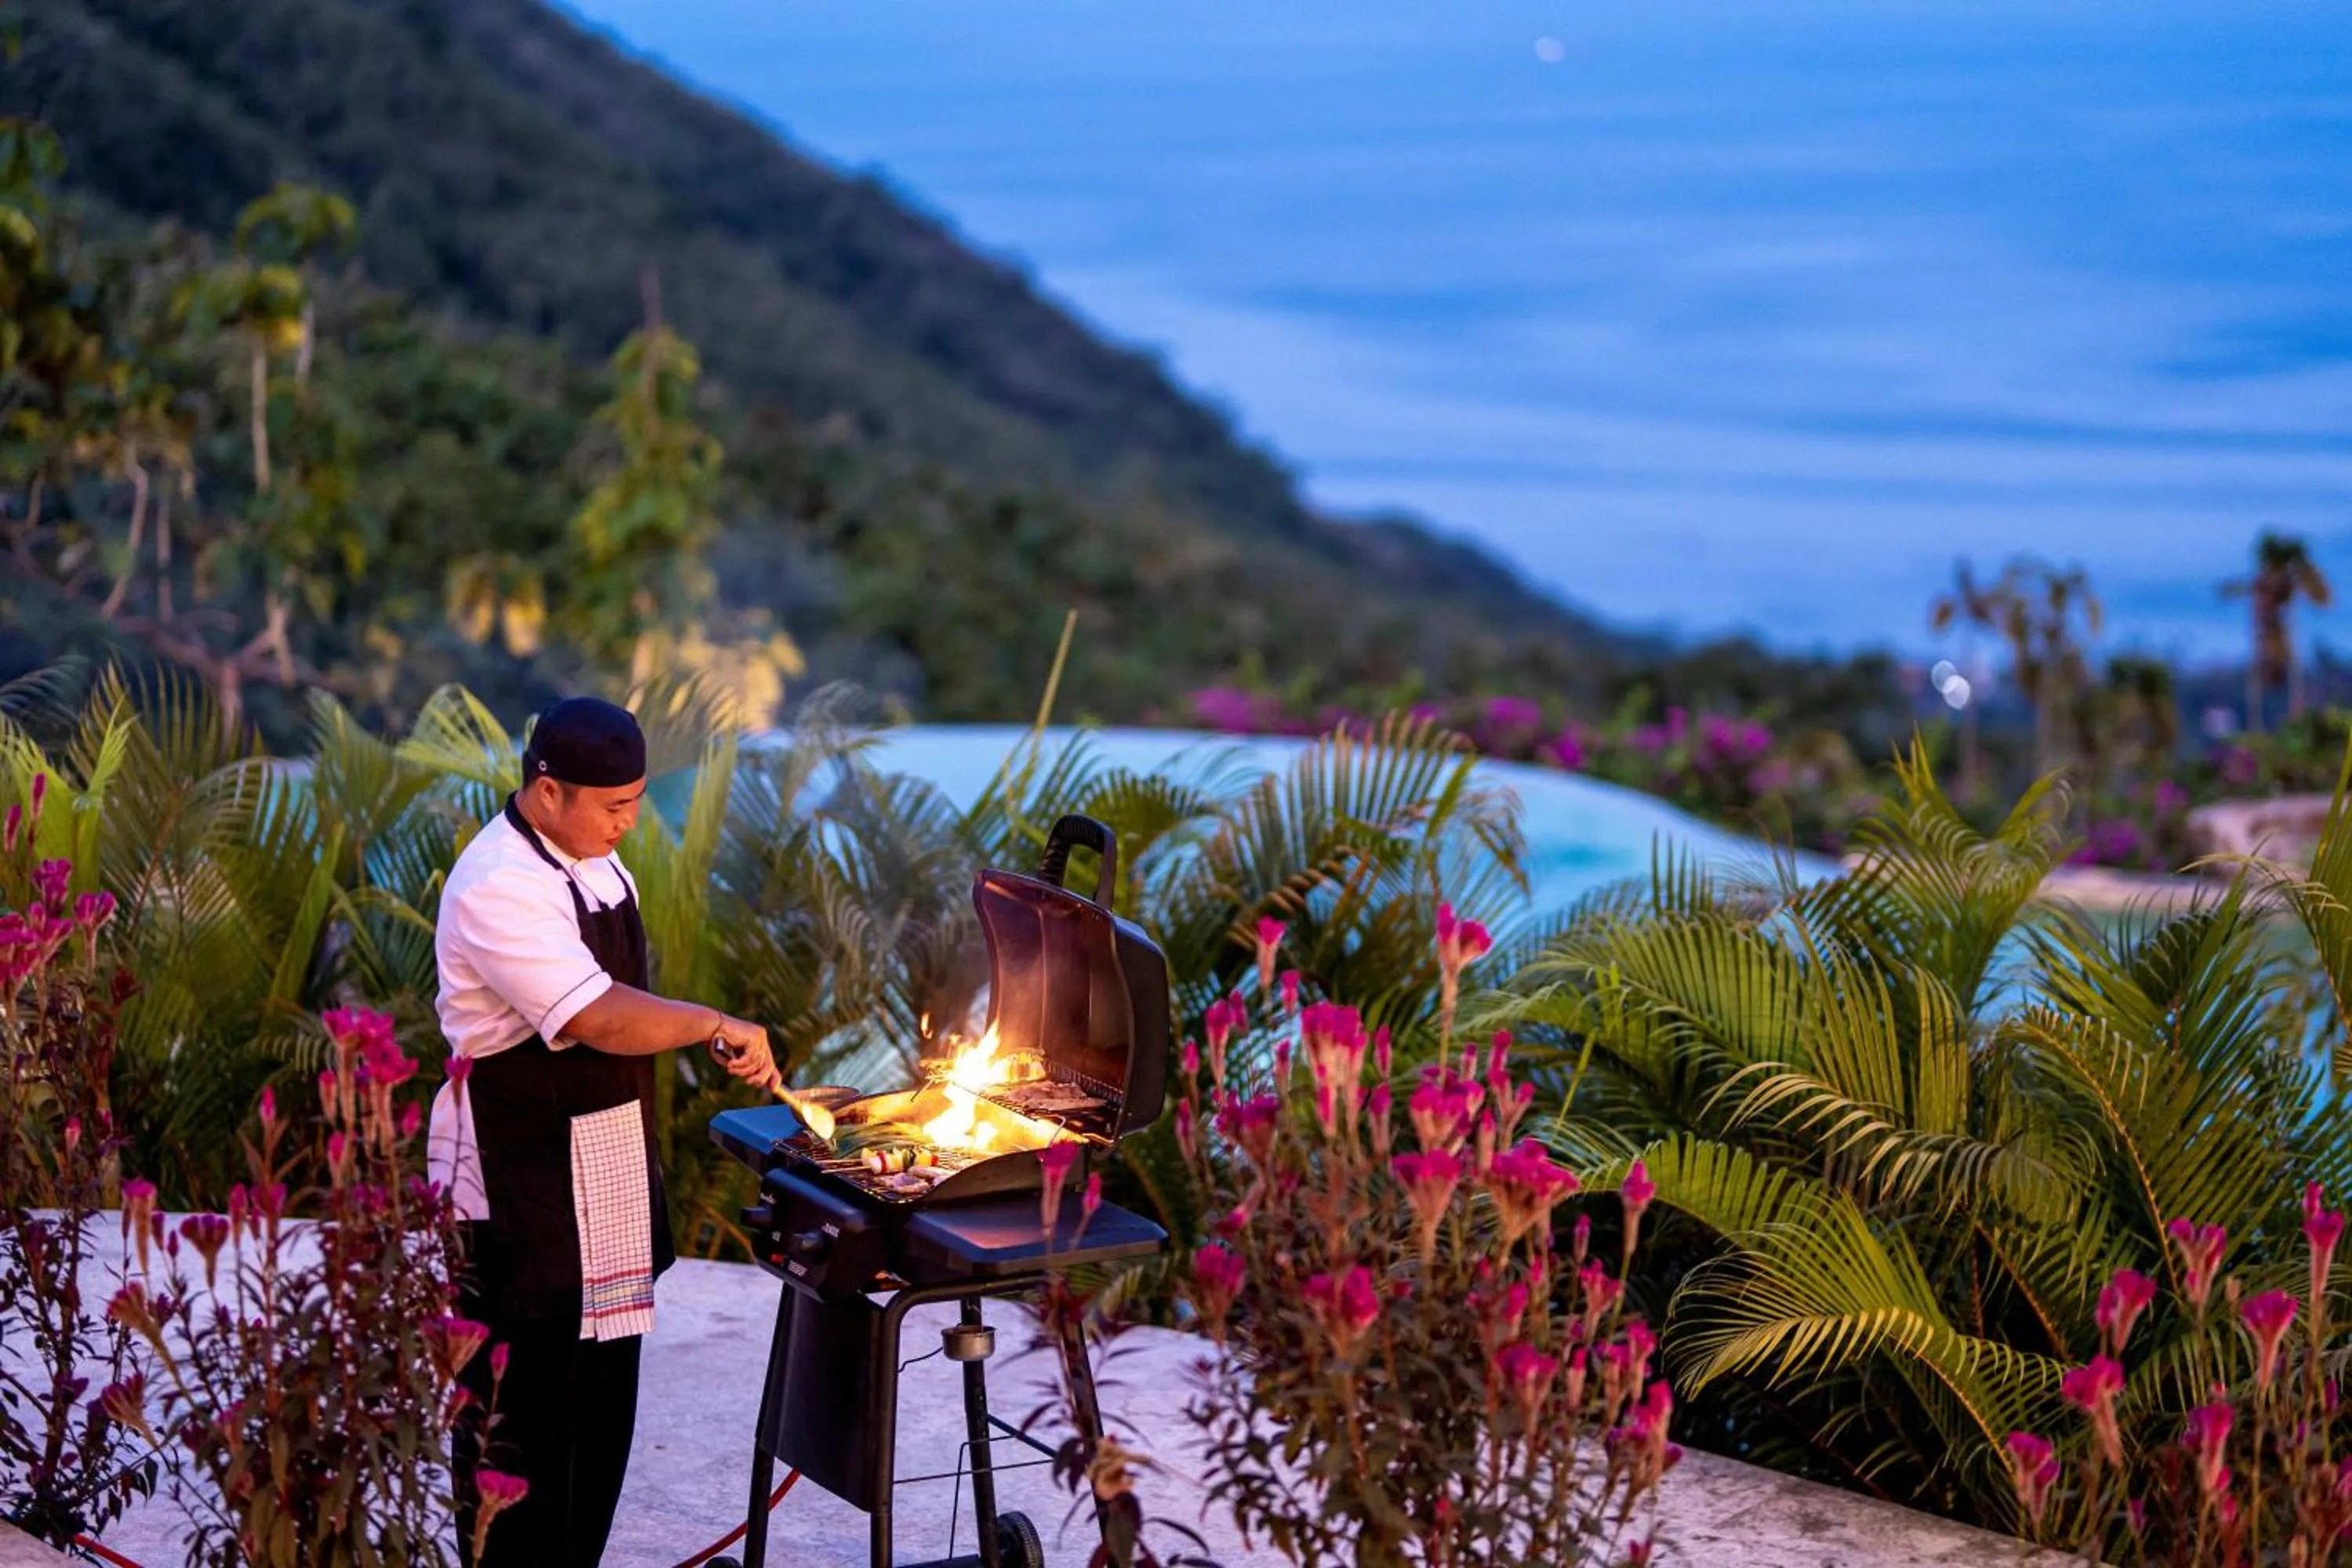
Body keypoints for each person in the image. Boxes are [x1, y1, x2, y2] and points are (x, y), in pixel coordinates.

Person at [430, 695, 780, 1567]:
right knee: (522, 1414)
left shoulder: (591, 858)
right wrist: (712, 1022)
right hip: (520, 1180)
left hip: (605, 1160)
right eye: (613, 805)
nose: (629, 821)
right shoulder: (499, 883)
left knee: (597, 1408)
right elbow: (597, 1015)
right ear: (547, 791)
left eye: (636, 800)